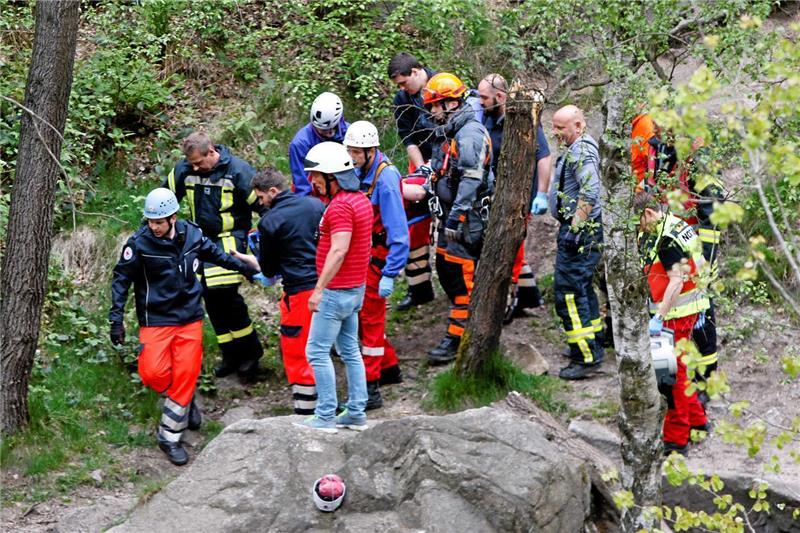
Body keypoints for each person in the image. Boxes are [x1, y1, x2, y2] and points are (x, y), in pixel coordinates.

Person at [109, 188, 258, 465]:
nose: (153, 226)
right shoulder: (139, 244)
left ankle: (169, 437)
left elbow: (216, 255)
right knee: (152, 373)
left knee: (186, 374)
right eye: (150, 221)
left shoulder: (192, 234)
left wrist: (244, 268)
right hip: (156, 319)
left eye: (158, 221)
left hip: (190, 317)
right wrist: (116, 318)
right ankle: (184, 400)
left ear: (173, 217)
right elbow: (120, 280)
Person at [632, 114, 722, 400]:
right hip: (665, 241)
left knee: (701, 316)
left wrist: (704, 259)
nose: (655, 135)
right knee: (667, 316)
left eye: (661, 131)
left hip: (693, 250)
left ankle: (705, 382)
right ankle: (671, 384)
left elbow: (713, 212)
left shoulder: (698, 158)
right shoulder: (660, 150)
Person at [164, 131, 265, 383]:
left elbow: (263, 204)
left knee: (226, 295)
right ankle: (230, 353)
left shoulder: (239, 171)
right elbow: (164, 200)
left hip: (230, 239)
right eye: (191, 164)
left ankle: (250, 353)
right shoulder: (184, 170)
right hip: (200, 240)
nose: (195, 168)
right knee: (209, 297)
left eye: (199, 162)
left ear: (212, 152)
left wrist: (269, 233)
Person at [295, 141, 373, 432]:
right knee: (350, 350)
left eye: (316, 175)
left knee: (316, 352)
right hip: (355, 290)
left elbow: (339, 250)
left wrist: (318, 290)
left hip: (336, 292)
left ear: (332, 176)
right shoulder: (361, 200)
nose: (311, 180)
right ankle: (356, 412)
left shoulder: (340, 207)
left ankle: (326, 414)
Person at [236, 168, 325, 415]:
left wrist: (255, 262)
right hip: (329, 286)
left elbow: (270, 268)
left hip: (299, 294)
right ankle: (331, 403)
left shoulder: (270, 221)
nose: (262, 204)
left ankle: (306, 413)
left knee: (297, 351)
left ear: (273, 191)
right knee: (327, 347)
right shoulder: (315, 205)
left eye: (262, 198)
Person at [423, 72, 494, 364]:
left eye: (434, 106)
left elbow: (471, 179)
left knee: (462, 278)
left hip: (466, 221)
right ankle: (457, 332)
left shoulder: (470, 134)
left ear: (450, 104)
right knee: (447, 269)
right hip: (451, 218)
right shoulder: (452, 132)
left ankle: (459, 338)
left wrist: (456, 217)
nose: (431, 112)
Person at [635, 190, 710, 455]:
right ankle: (698, 423)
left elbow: (676, 281)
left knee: (670, 377)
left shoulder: (666, 239)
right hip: (690, 309)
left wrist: (658, 317)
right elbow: (700, 263)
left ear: (648, 214)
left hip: (674, 316)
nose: (640, 229)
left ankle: (676, 439)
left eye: (639, 223)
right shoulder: (677, 224)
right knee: (681, 371)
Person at [343, 120, 410, 403]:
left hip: (378, 260)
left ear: (370, 151)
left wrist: (390, 273)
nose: (352, 157)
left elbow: (399, 232)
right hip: (364, 256)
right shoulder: (362, 173)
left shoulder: (385, 180)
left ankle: (370, 388)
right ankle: (389, 367)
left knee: (369, 321)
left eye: (356, 152)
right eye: (350, 151)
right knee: (363, 317)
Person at [477, 73, 551, 319]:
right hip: (494, 195)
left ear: (500, 96)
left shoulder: (521, 119)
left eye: (484, 97)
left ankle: (508, 300)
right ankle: (529, 297)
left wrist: (541, 193)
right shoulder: (487, 118)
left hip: (520, 197)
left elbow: (543, 156)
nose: (480, 102)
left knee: (512, 249)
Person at [549, 105, 604, 380]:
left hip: (580, 233)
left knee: (568, 293)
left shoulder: (581, 150)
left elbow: (590, 191)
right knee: (581, 287)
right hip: (581, 230)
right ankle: (594, 341)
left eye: (560, 128)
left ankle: (584, 356)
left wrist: (575, 228)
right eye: (554, 127)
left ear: (578, 126)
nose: (555, 132)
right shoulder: (578, 147)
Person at [388, 53, 438, 310]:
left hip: (447, 159)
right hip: (420, 161)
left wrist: (437, 165)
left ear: (417, 72)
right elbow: (407, 138)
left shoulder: (442, 86)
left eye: (404, 82)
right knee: (412, 224)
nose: (402, 88)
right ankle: (419, 288)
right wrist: (421, 169)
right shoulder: (402, 100)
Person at [288, 92, 350, 197]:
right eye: (319, 129)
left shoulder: (349, 134)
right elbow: (302, 185)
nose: (322, 132)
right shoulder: (300, 144)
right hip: (317, 191)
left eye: (327, 130)